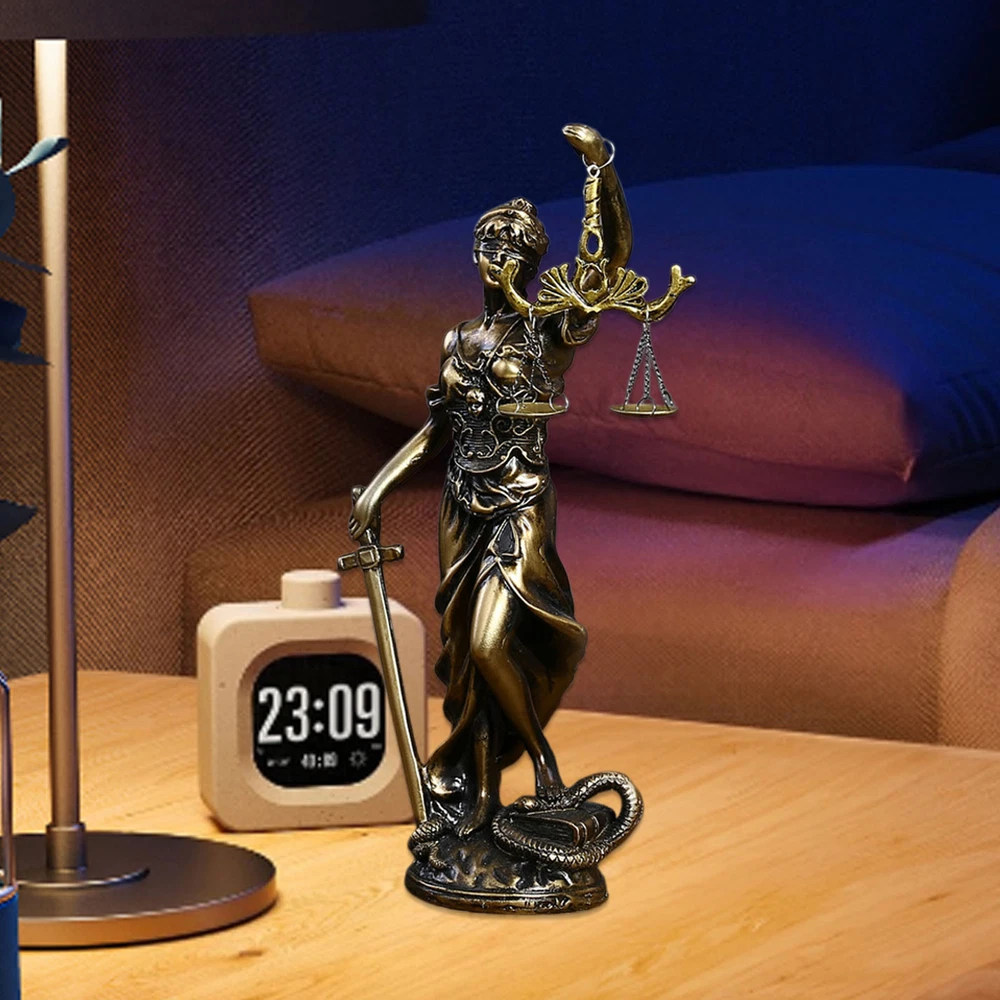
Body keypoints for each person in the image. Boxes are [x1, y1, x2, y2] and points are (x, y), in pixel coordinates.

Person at [349, 124, 632, 837]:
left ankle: (543, 765)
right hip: (461, 507)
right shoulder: (457, 338)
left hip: (518, 504)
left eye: (512, 251)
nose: (496, 258)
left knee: (489, 644)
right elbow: (436, 431)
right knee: (468, 665)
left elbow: (606, 264)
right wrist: (379, 487)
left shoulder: (545, 334)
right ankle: (479, 800)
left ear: (531, 263)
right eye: (488, 246)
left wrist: (601, 174)